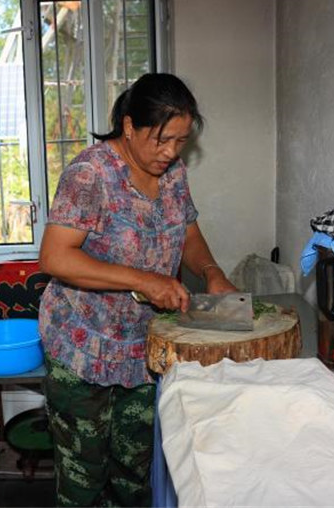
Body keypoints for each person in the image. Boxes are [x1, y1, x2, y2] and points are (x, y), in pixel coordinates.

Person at [38, 73, 237, 507]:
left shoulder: (172, 173)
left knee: (133, 473)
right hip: (82, 348)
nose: (170, 152)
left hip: (141, 350)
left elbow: (187, 233)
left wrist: (211, 271)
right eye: (161, 139)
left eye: (180, 141)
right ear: (129, 126)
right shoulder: (90, 175)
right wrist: (143, 280)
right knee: (84, 481)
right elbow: (56, 257)